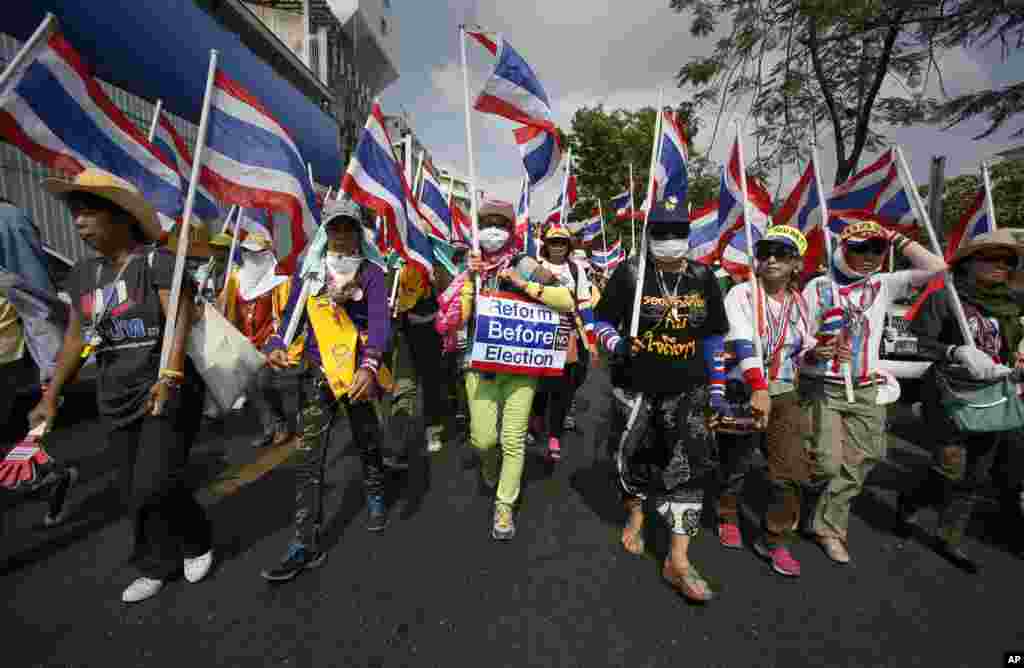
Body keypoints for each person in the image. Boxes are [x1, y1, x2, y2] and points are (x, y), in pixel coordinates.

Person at [31, 168, 213, 603]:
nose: (79, 223)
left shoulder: (159, 263)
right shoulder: (82, 274)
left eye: (88, 213)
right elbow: (76, 338)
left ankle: (196, 538)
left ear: (120, 217)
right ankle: (155, 564)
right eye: (75, 214)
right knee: (134, 488)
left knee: (156, 480)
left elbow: (179, 322)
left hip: (166, 388)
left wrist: (168, 376)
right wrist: (50, 396)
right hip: (115, 394)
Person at [593, 197, 729, 603]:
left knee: (687, 470)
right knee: (634, 459)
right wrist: (616, 342)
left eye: (678, 233)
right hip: (634, 388)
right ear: (650, 236)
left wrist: (718, 387)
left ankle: (678, 560)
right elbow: (597, 320)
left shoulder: (704, 277)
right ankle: (635, 511)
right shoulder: (631, 273)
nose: (671, 240)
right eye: (662, 233)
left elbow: (714, 336)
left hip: (688, 389)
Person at [800, 219, 946, 564]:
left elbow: (937, 267)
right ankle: (807, 502)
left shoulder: (883, 285)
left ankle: (829, 528)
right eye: (860, 248)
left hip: (866, 388)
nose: (869, 256)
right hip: (826, 385)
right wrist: (817, 348)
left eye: (876, 249)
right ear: (843, 250)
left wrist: (894, 237)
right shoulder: (820, 287)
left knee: (863, 459)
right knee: (825, 461)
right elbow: (800, 334)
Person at [260, 199, 390, 582]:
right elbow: (292, 318)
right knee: (309, 459)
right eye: (335, 228)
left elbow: (380, 322)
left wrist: (369, 365)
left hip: (356, 374)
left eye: (350, 228)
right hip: (319, 376)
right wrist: (276, 344)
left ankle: (376, 490)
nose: (343, 236)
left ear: (359, 232)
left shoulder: (371, 273)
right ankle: (304, 542)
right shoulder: (310, 273)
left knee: (367, 439)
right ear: (326, 232)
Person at [436, 199, 574, 540]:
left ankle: (504, 507)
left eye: (500, 224)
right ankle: (487, 463)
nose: (493, 231)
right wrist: (469, 277)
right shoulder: (468, 266)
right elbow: (454, 318)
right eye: (487, 224)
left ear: (511, 230)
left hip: (520, 365)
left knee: (513, 439)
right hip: (478, 364)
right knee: (484, 439)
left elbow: (566, 300)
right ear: (477, 229)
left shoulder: (525, 264)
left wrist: (523, 283)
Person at [899, 228, 1024, 571]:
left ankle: (949, 539)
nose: (1000, 266)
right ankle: (910, 502)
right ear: (968, 263)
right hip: (948, 393)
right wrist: (954, 350)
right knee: (949, 468)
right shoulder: (945, 297)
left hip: (995, 395)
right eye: (991, 259)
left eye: (1007, 261)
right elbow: (915, 342)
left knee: (976, 474)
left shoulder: (1012, 303)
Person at [716, 226, 814, 577]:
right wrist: (758, 386)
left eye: (781, 253)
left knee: (789, 470)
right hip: (744, 388)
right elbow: (741, 339)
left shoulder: (800, 302)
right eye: (765, 252)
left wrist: (821, 351)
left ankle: (774, 539)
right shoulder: (741, 294)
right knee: (737, 460)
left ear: (796, 263)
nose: (771, 259)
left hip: (784, 389)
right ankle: (727, 514)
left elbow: (804, 346)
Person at [221, 234, 301, 447]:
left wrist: (281, 340)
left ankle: (281, 424)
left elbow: (286, 312)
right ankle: (268, 428)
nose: (252, 256)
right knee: (250, 387)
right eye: (248, 252)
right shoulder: (236, 278)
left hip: (269, 340)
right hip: (246, 340)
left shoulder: (279, 279)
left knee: (264, 383)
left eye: (257, 252)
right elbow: (230, 310)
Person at [529, 224, 596, 461]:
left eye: (562, 242)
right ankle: (535, 418)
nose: (557, 246)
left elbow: (585, 304)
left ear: (569, 245)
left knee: (564, 385)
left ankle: (554, 435)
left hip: (567, 333)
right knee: (539, 382)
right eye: (553, 241)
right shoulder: (536, 266)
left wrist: (591, 337)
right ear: (545, 244)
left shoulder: (576, 269)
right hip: (537, 332)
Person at [384, 251, 447, 464]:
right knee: (403, 388)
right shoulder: (391, 258)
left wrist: (433, 276)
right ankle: (397, 444)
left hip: (431, 331)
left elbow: (446, 291)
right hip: (402, 335)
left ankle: (433, 427)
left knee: (431, 383)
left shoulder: (433, 257)